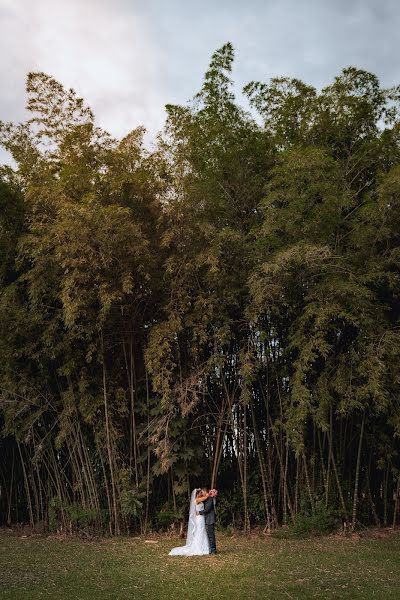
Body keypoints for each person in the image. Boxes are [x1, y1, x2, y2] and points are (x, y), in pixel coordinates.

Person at [168, 489, 210, 556]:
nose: (201, 493)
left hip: (201, 518)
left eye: (201, 492)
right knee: (199, 531)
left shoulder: (200, 499)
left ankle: (204, 547)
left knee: (202, 531)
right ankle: (199, 547)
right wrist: (208, 494)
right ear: (197, 494)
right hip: (199, 518)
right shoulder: (197, 500)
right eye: (200, 492)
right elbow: (206, 497)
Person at [196, 487, 217, 554]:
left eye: (202, 492)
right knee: (209, 535)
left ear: (205, 492)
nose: (202, 494)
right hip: (207, 519)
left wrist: (200, 512)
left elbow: (207, 509)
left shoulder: (209, 498)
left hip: (210, 519)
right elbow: (198, 500)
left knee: (211, 535)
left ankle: (213, 551)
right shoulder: (207, 498)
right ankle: (211, 549)